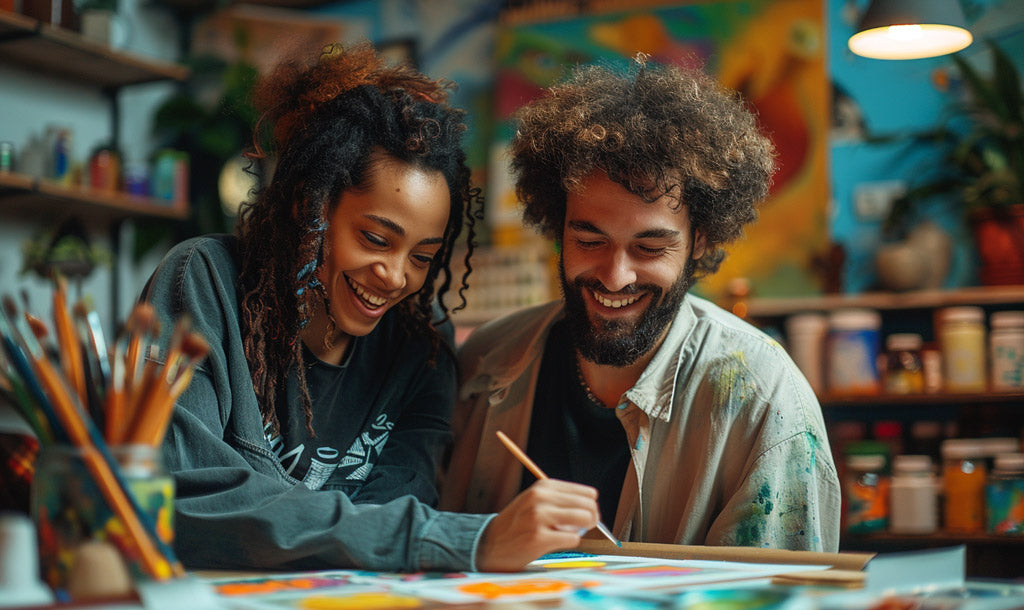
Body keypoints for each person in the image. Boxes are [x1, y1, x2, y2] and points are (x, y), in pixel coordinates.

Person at [141, 43, 601, 573]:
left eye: (423, 256)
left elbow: (402, 505)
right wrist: (468, 540)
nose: (395, 275)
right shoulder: (204, 281)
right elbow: (180, 495)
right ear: (307, 205)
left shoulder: (421, 343)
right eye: (376, 238)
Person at [441, 55, 841, 552]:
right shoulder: (487, 362)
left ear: (700, 239)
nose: (615, 275)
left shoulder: (763, 401)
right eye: (590, 240)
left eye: (650, 248)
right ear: (557, 227)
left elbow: (777, 597)